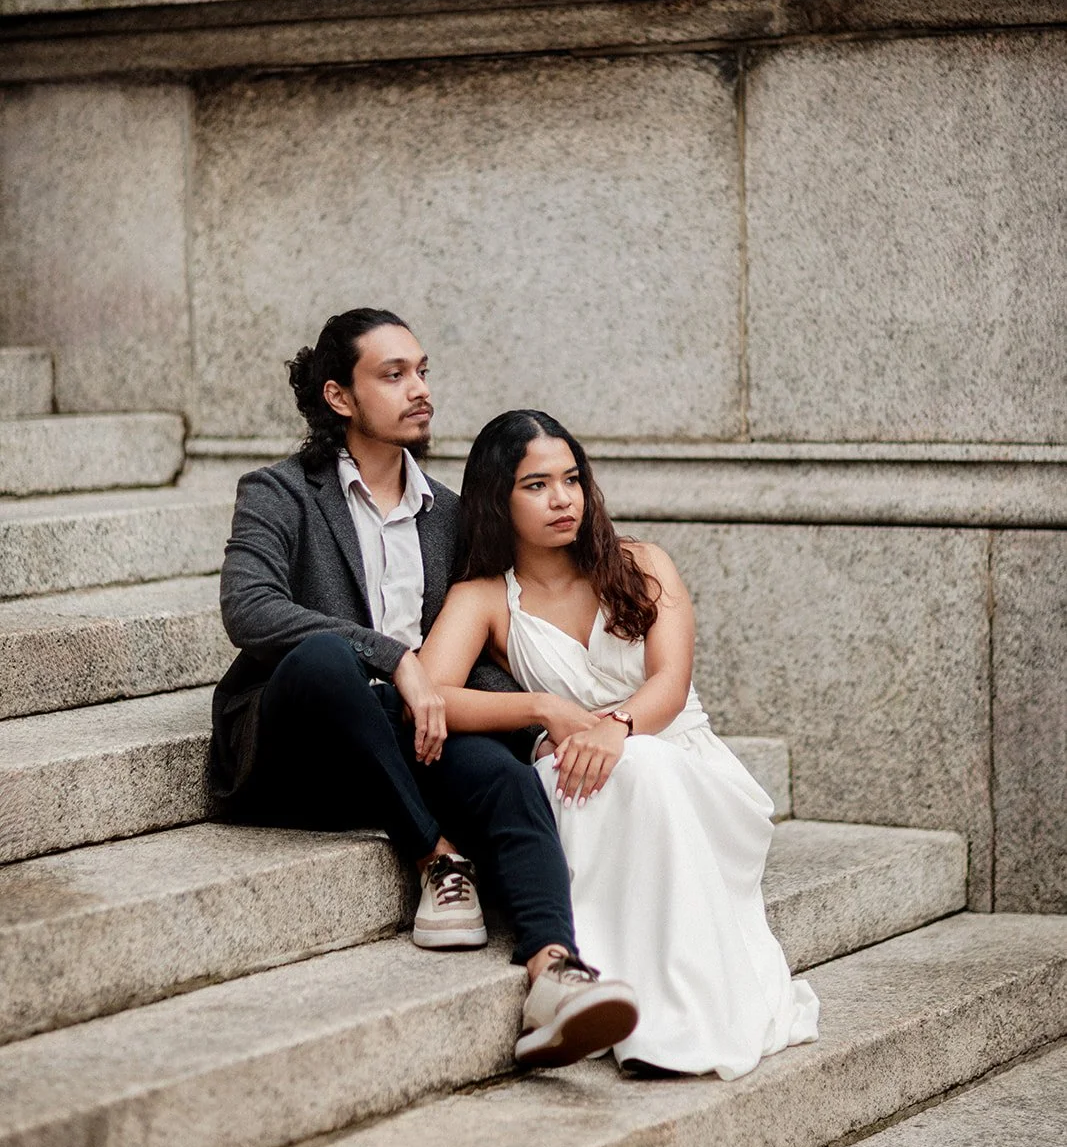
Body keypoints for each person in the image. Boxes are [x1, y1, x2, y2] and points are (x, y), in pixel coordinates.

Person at [210, 311, 638, 1068]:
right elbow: (249, 607)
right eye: (394, 375)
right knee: (322, 660)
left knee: (507, 783)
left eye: (423, 371)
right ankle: (436, 858)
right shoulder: (278, 492)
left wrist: (527, 715)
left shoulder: (446, 513)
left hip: (410, 735)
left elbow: (470, 648)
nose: (420, 391)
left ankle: (553, 972)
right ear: (339, 397)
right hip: (302, 744)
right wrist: (396, 658)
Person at [418, 408, 821, 1077]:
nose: (562, 500)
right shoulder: (483, 597)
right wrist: (545, 707)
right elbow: (431, 696)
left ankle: (677, 1023)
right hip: (578, 767)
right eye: (536, 485)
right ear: (496, 498)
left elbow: (669, 681)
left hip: (680, 757)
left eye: (571, 480)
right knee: (593, 780)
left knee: (646, 768)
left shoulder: (639, 561)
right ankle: (594, 995)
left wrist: (617, 727)